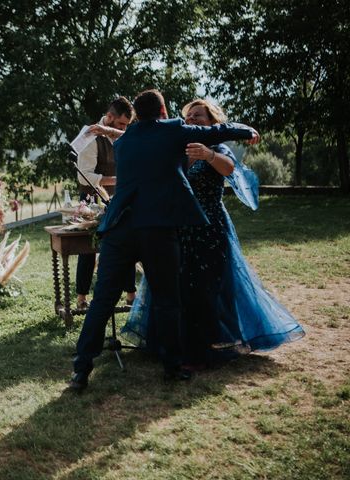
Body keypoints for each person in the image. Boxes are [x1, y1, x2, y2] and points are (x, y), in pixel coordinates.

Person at [69, 89, 260, 390]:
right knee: (168, 300)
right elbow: (219, 130)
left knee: (102, 301)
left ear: (135, 116)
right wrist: (246, 129)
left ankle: (81, 370)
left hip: (120, 229)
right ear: (162, 113)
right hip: (157, 229)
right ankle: (172, 367)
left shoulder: (126, 140)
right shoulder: (173, 131)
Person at [122, 99, 304, 367]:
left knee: (209, 284)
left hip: (210, 227)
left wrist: (208, 155)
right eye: (190, 116)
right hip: (181, 227)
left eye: (199, 116)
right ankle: (175, 342)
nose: (193, 119)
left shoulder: (216, 147)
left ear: (211, 122)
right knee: (177, 284)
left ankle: (209, 342)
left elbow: (230, 170)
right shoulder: (180, 148)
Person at [75, 96, 137, 310]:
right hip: (92, 200)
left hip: (120, 198)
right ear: (109, 117)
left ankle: (131, 294)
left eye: (127, 126)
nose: (123, 129)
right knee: (88, 248)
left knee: (128, 245)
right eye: (120, 124)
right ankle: (82, 299)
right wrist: (120, 180)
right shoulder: (90, 136)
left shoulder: (126, 135)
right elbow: (84, 176)